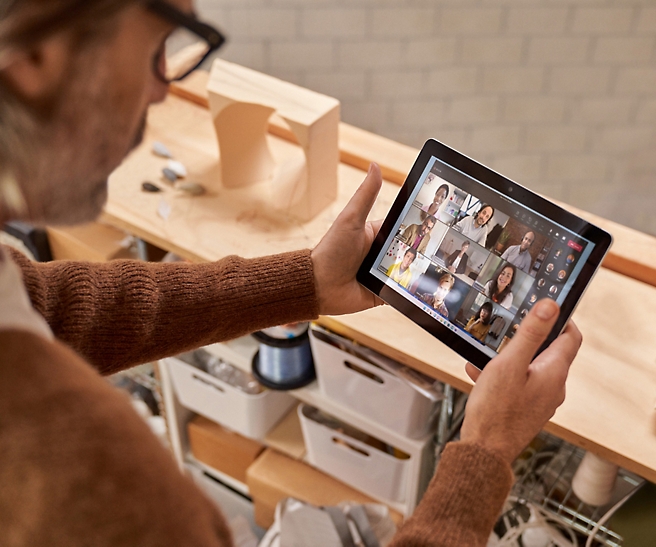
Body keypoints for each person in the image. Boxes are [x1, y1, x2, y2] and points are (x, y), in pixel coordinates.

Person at [0, 1, 582, 545]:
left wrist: (305, 282)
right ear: (36, 52)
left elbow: (48, 307)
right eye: (161, 45)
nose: (161, 88)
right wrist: (485, 448)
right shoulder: (87, 486)